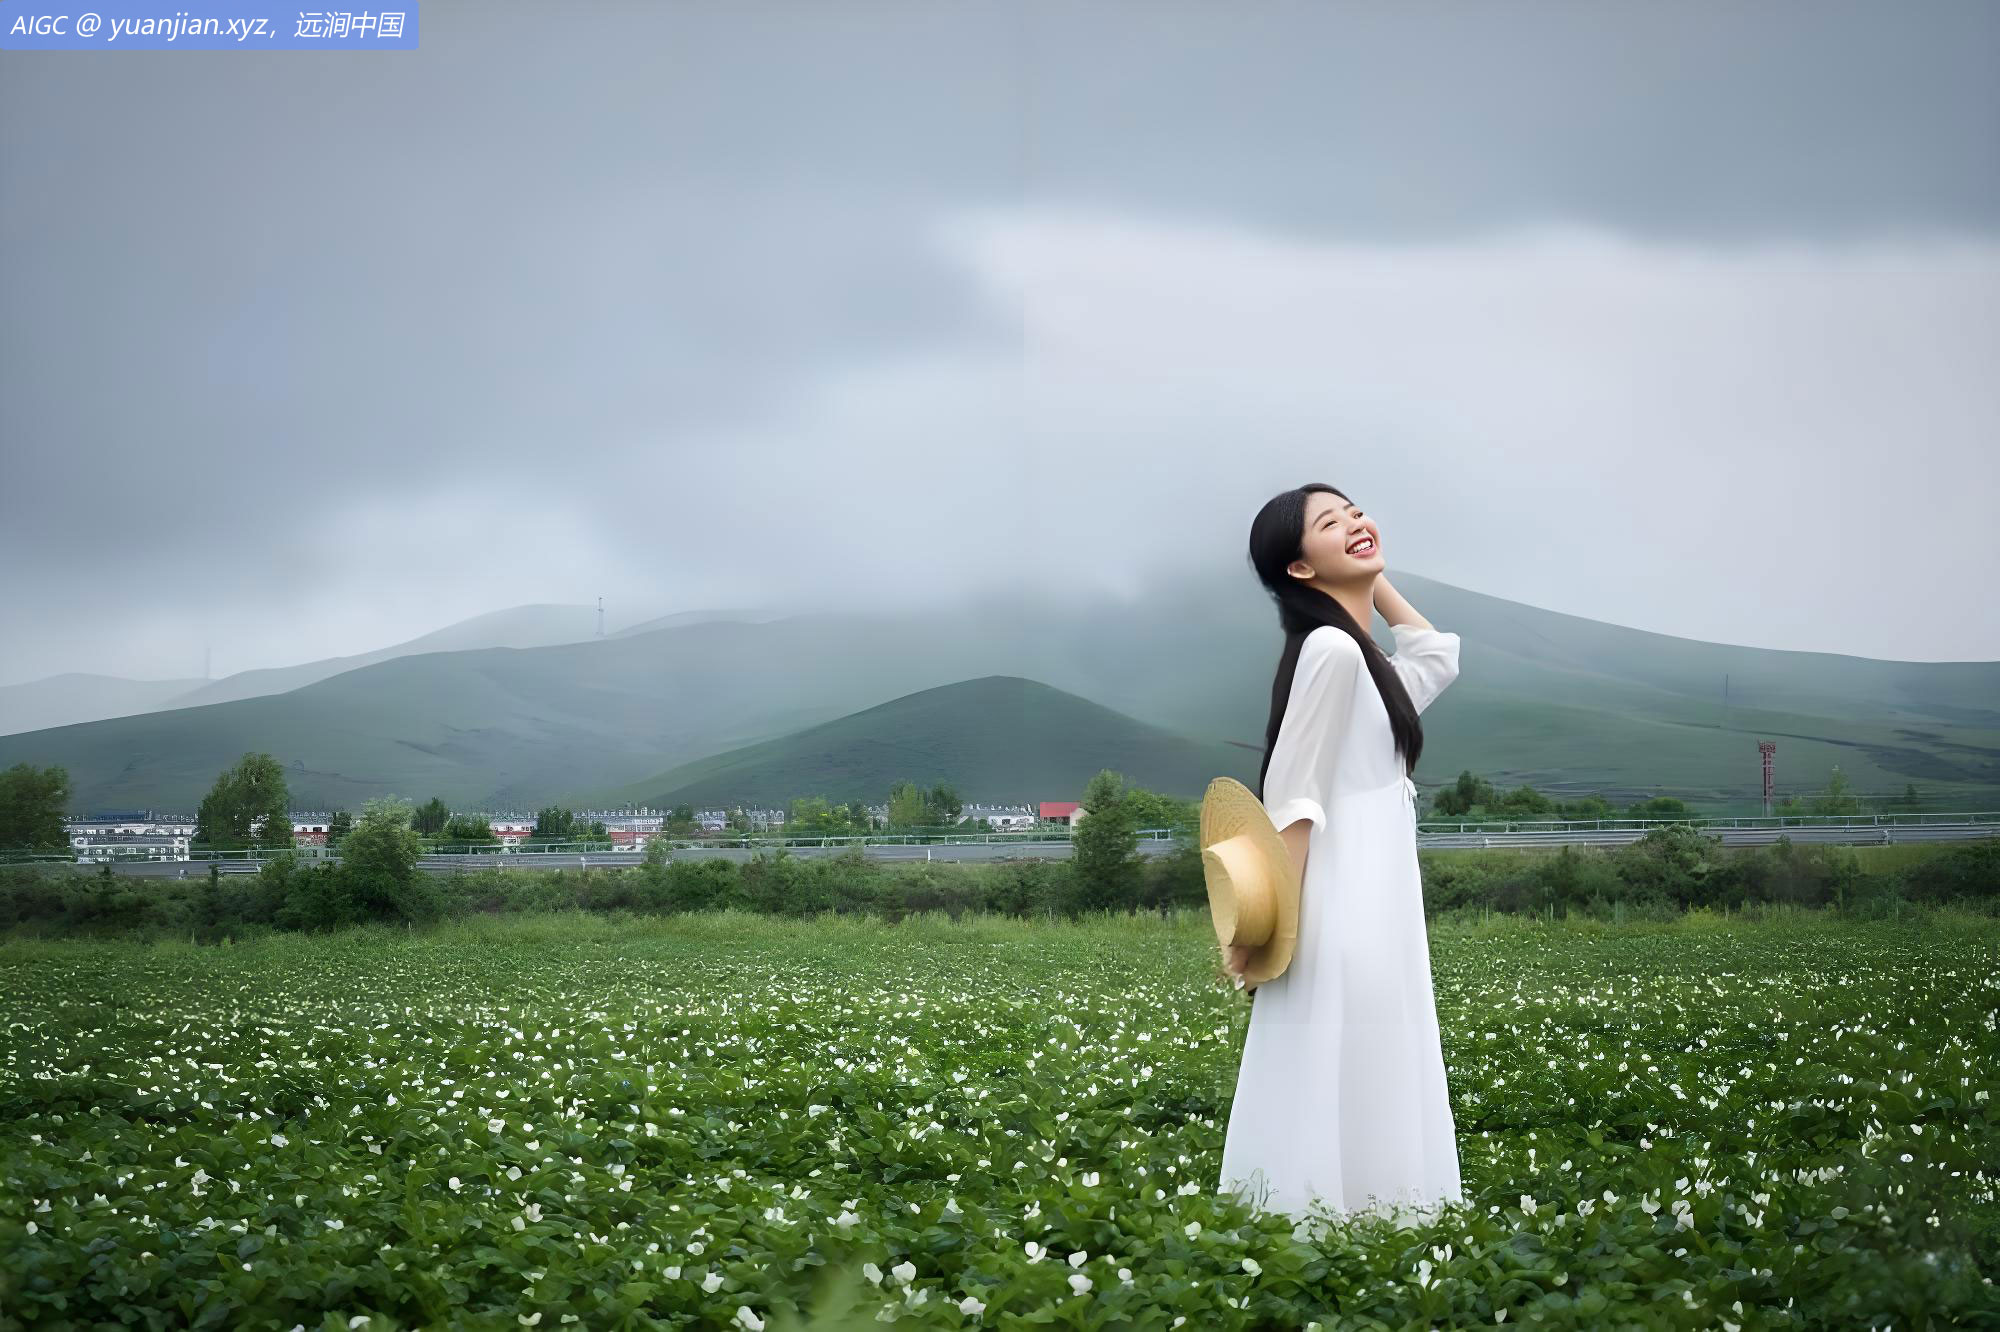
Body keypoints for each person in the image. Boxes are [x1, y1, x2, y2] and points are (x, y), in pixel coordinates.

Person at [1216, 483, 1466, 1231]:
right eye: (1331, 522)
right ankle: (1338, 1220)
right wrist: (1266, 923)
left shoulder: (1359, 657)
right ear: (1298, 569)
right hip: (1343, 898)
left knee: (1363, 1052)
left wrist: (1360, 569)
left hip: (1378, 897)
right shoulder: (1328, 651)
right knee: (1349, 1050)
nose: (1356, 521)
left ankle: (1367, 1218)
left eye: (1355, 509)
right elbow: (1294, 801)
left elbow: (1435, 656)